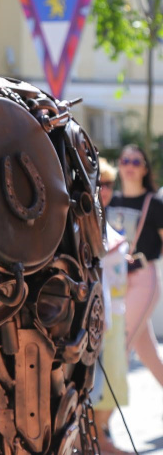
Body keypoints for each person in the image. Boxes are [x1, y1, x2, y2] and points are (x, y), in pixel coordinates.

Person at [106, 144, 163, 389]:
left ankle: (101, 424)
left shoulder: (155, 203)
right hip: (114, 280)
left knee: (118, 347)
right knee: (149, 355)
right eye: (125, 161)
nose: (130, 166)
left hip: (142, 278)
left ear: (144, 170)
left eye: (136, 162)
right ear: (119, 165)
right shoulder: (110, 200)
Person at [92, 160, 131, 454]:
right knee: (103, 382)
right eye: (99, 184)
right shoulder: (88, 216)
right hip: (98, 311)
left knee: (115, 380)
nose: (104, 190)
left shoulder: (105, 218)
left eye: (108, 184)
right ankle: (101, 442)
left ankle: (103, 438)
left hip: (115, 308)